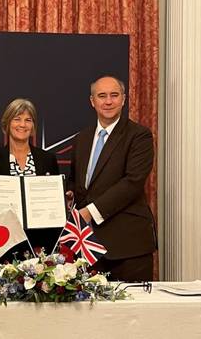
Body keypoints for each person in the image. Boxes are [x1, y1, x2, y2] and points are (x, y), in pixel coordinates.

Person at [67, 75, 156, 282]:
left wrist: (89, 212)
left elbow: (132, 183)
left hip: (128, 247)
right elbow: (78, 181)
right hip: (89, 246)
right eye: (102, 96)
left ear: (124, 99)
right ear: (92, 101)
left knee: (132, 312)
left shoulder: (139, 136)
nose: (108, 101)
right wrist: (70, 194)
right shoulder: (82, 138)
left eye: (114, 95)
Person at [0, 98, 60, 276]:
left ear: (33, 126)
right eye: (17, 119)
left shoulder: (47, 159)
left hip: (39, 243)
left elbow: (55, 202)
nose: (23, 125)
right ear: (7, 123)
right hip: (6, 242)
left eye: (28, 120)